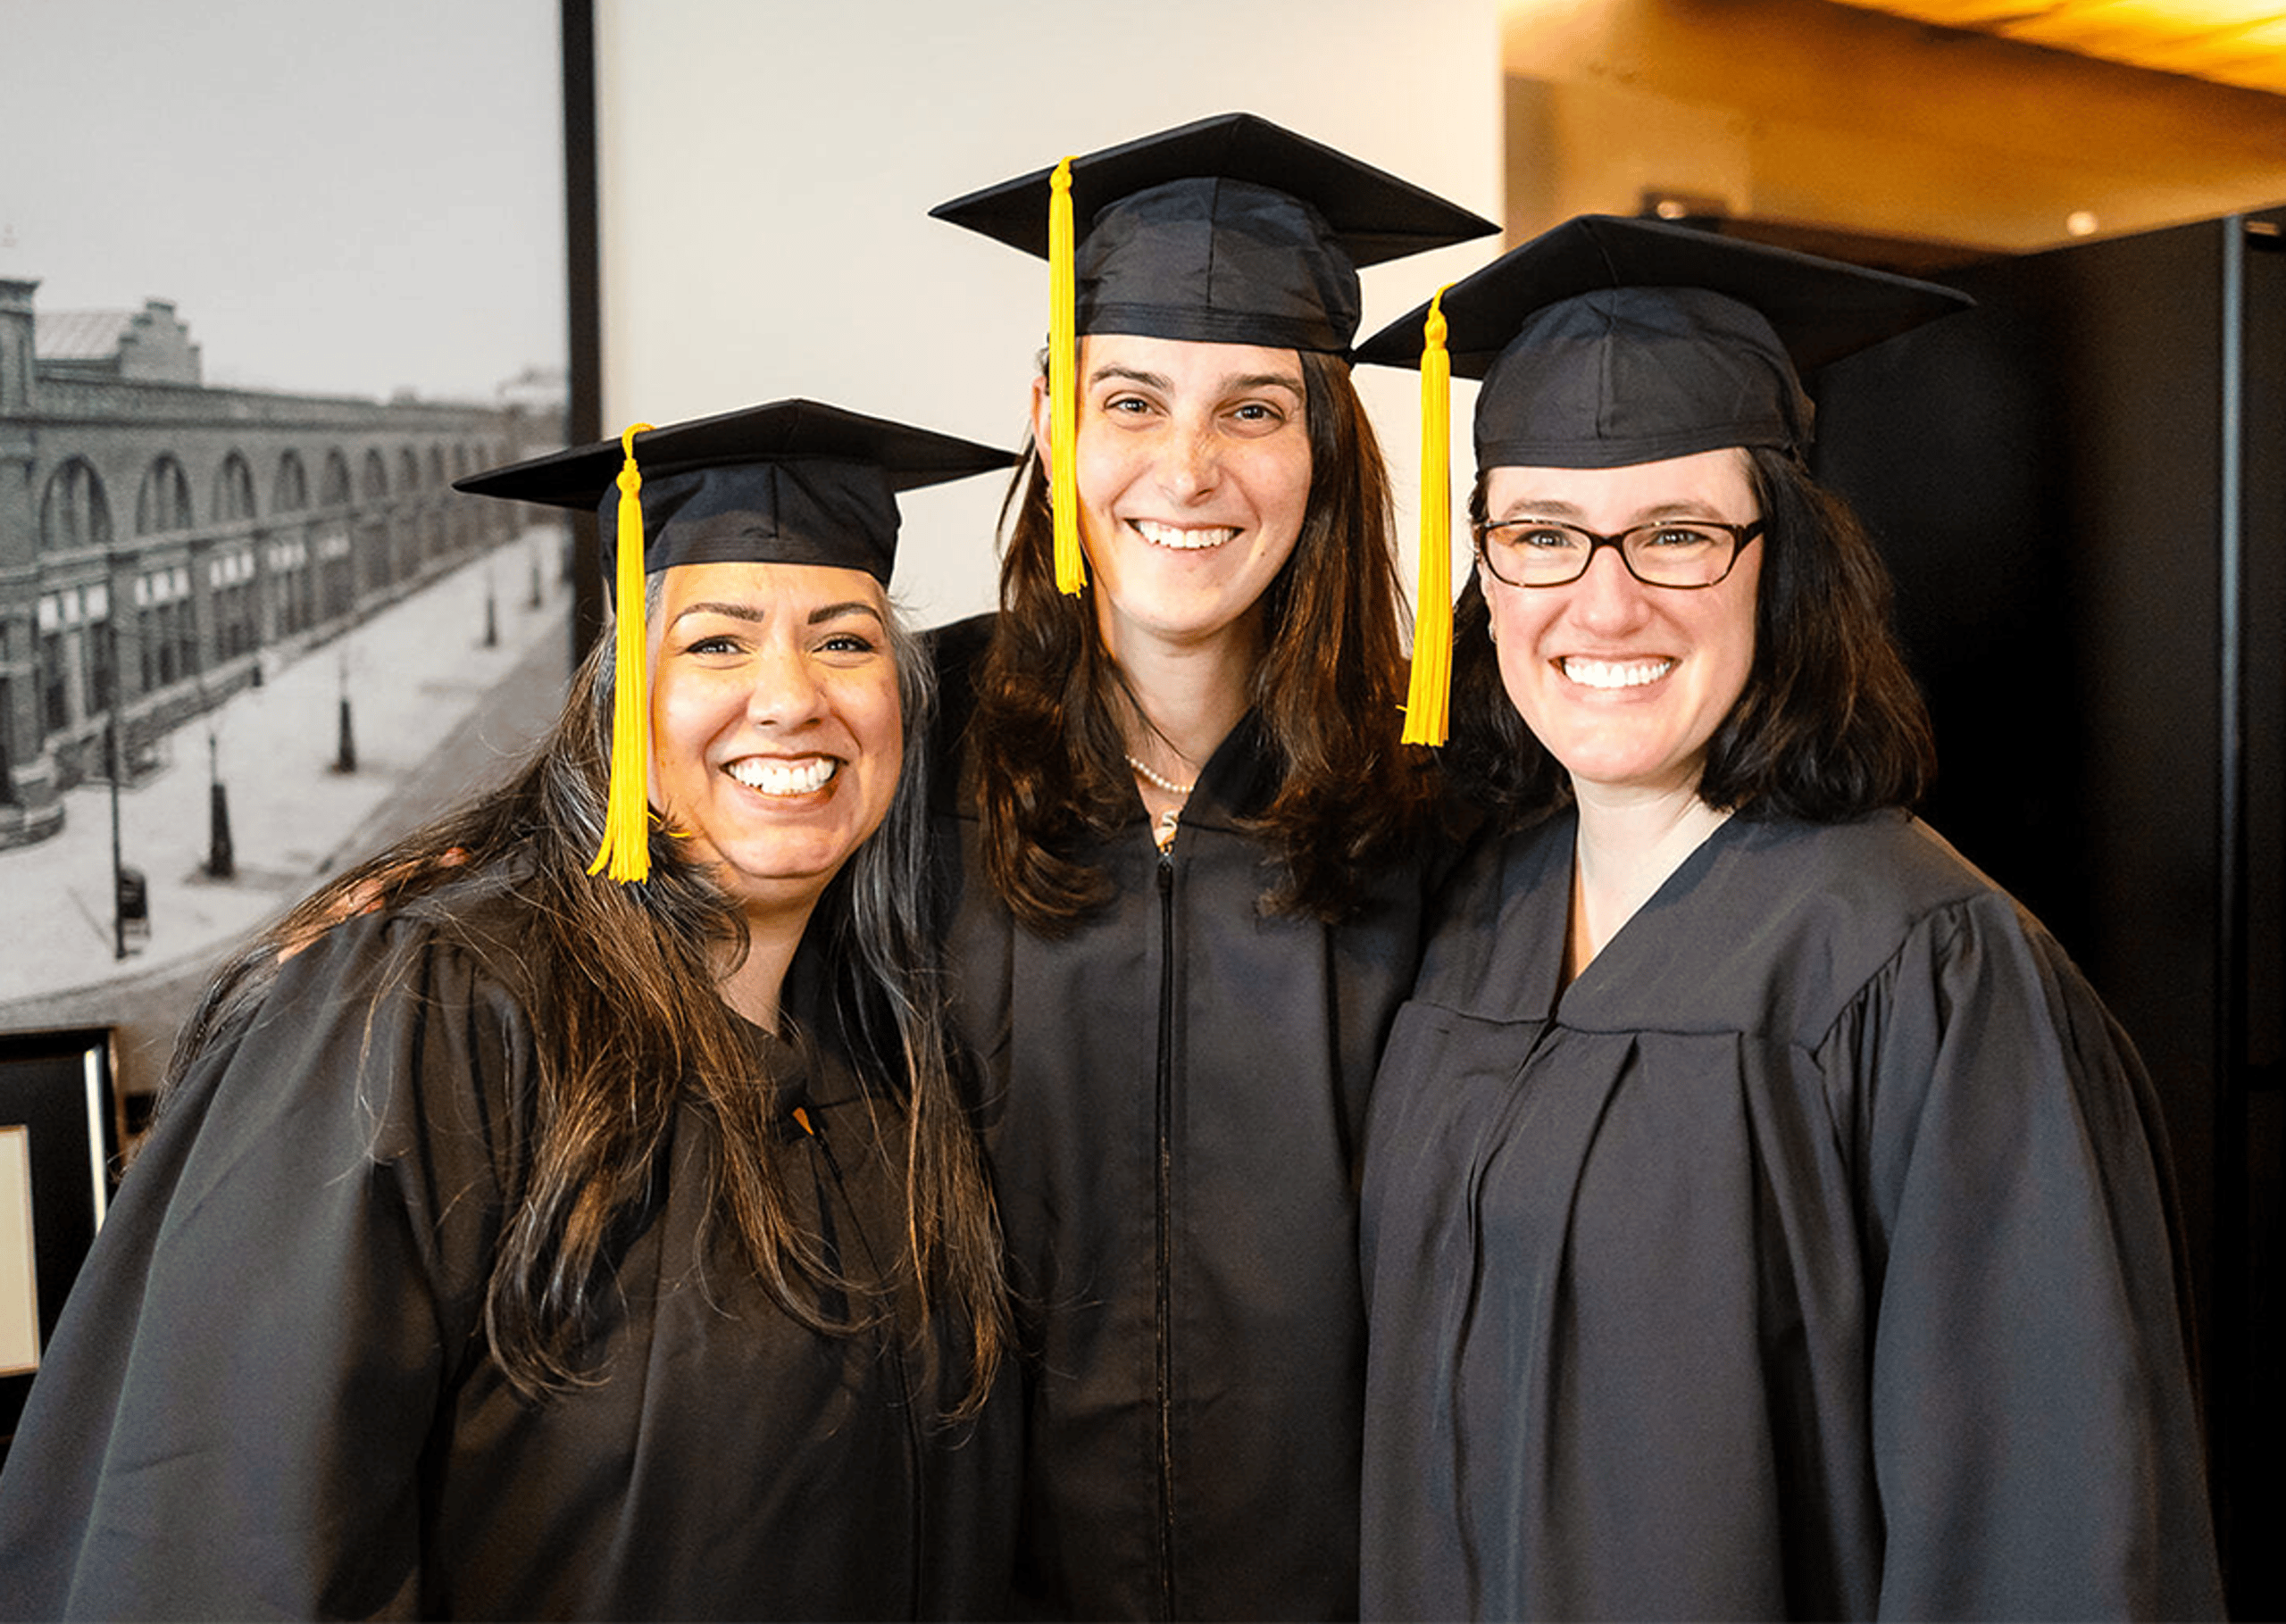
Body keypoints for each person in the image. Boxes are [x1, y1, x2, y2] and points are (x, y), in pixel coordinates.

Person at [0, 402, 1023, 1620]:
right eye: (715, 644)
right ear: (615, 697)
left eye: (846, 642)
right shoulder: (426, 1011)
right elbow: (218, 1542)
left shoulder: (893, 1041)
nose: (791, 697)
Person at [1349, 216, 2226, 1620]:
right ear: (1487, 572)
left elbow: (2034, 1530)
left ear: (1786, 565)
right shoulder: (1475, 919)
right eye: (1542, 536)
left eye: (1679, 535)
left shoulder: (1919, 962)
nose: (1605, 601)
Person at [925, 113, 1496, 1618]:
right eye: (1132, 400)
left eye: (1253, 410)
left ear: (1325, 450)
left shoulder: (1452, 800)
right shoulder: (906, 756)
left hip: (1353, 1580)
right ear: (1052, 419)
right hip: (977, 1578)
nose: (1187, 469)